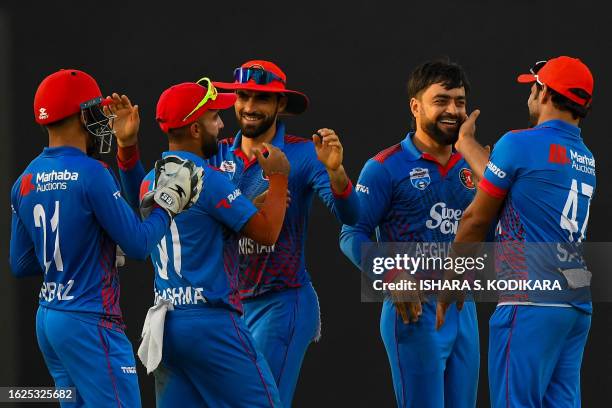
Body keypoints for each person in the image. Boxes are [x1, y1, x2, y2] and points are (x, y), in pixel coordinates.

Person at [9, 69, 200, 407]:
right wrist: (167, 205)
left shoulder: (24, 180)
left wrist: (90, 245)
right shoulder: (93, 173)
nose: (99, 118)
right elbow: (140, 245)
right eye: (95, 109)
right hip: (91, 321)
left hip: (49, 320)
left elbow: (21, 263)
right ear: (83, 114)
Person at [437, 56, 596, 408]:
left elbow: (475, 219)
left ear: (545, 93)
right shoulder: (584, 156)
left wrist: (451, 282)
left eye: (533, 88)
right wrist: (466, 145)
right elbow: (511, 185)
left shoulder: (520, 143)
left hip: (529, 302)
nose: (529, 97)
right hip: (574, 305)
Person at [204, 59, 360, 406]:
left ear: (281, 105)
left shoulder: (305, 153)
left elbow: (352, 216)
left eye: (261, 99)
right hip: (230, 306)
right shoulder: (215, 154)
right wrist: (126, 153)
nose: (249, 107)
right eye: (243, 96)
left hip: (282, 301)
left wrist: (336, 172)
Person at [138, 78, 291, 407]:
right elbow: (267, 234)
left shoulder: (150, 178)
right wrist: (278, 177)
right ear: (195, 129)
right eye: (213, 117)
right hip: (211, 324)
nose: (222, 125)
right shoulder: (207, 177)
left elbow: (201, 225)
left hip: (167, 326)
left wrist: (248, 206)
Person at [340, 59, 483, 408]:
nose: (453, 110)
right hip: (413, 312)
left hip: (464, 311)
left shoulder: (474, 164)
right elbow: (351, 234)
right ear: (415, 106)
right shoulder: (385, 167)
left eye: (460, 102)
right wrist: (391, 275)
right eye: (442, 101)